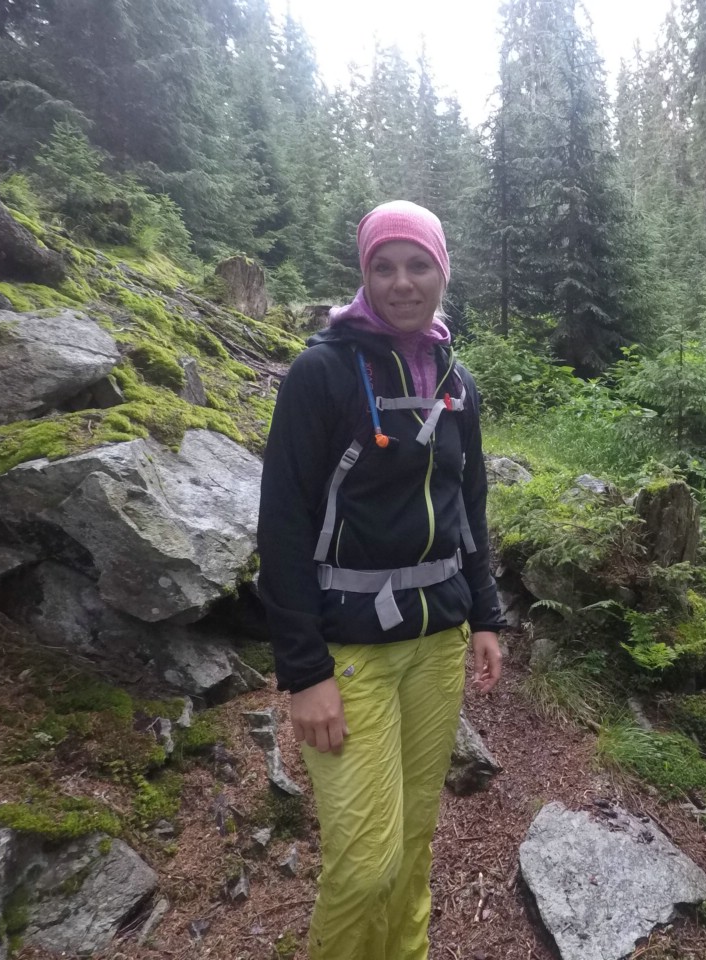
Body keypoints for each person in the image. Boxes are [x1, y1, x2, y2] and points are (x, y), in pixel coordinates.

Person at [257, 200, 506, 960]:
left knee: (414, 840)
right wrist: (305, 674)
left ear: (442, 273)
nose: (403, 282)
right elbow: (283, 525)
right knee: (367, 865)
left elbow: (468, 505)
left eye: (418, 265)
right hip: (349, 651)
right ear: (364, 275)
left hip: (437, 642)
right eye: (384, 266)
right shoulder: (322, 372)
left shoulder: (457, 382)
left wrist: (486, 615)